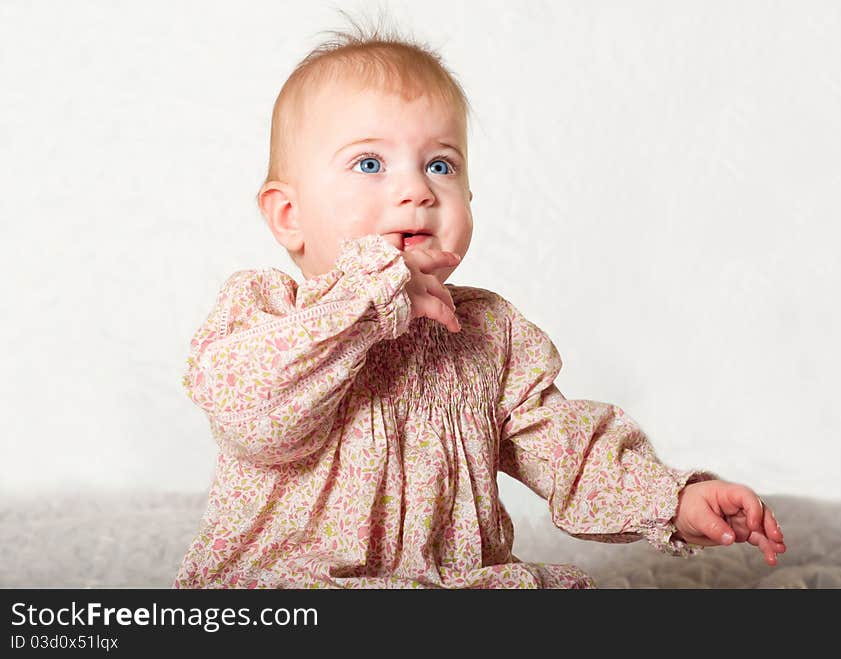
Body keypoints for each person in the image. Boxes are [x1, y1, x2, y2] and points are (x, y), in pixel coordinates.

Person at [173, 18, 786, 589]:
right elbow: (255, 418)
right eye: (369, 163)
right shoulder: (268, 312)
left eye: (440, 165)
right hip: (296, 585)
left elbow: (566, 447)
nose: (416, 190)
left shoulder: (487, 332)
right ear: (289, 215)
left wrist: (670, 501)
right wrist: (369, 295)